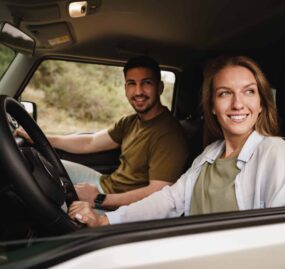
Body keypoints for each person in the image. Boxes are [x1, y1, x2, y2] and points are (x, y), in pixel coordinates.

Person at [68, 55, 285, 226]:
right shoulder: (209, 155)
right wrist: (106, 220)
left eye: (249, 91)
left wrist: (101, 203)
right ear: (213, 107)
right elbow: (169, 200)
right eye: (225, 93)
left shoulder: (273, 151)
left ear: (260, 104)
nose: (238, 104)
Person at [16, 56, 189, 210]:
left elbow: (158, 192)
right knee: (40, 166)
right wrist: (40, 137)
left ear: (159, 88)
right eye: (132, 84)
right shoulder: (130, 121)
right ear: (125, 88)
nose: (138, 92)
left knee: (47, 203)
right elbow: (90, 142)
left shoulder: (169, 134)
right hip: (104, 183)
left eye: (146, 83)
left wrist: (99, 199)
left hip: (120, 205)